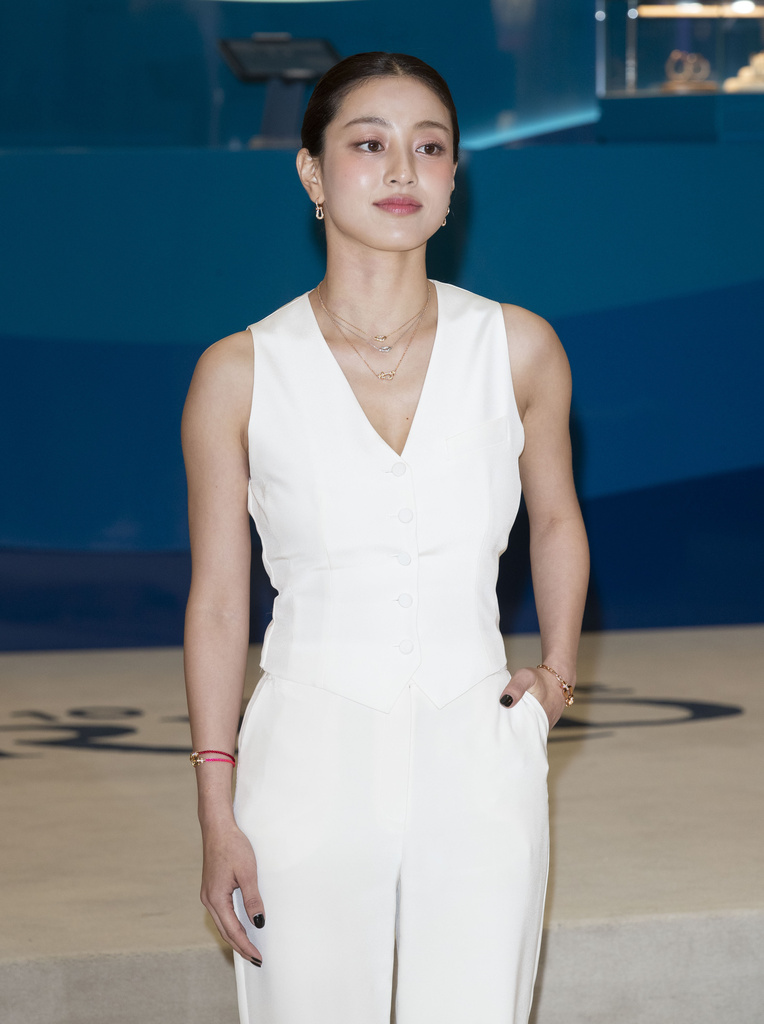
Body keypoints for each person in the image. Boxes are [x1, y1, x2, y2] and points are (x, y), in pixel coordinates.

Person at [182, 51, 589, 1024]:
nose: (403, 169)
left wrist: (556, 678)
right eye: (369, 145)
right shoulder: (238, 372)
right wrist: (215, 807)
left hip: (480, 751)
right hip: (305, 761)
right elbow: (220, 602)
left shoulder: (518, 347)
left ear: (453, 179)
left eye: (430, 147)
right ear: (312, 173)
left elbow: (556, 519)